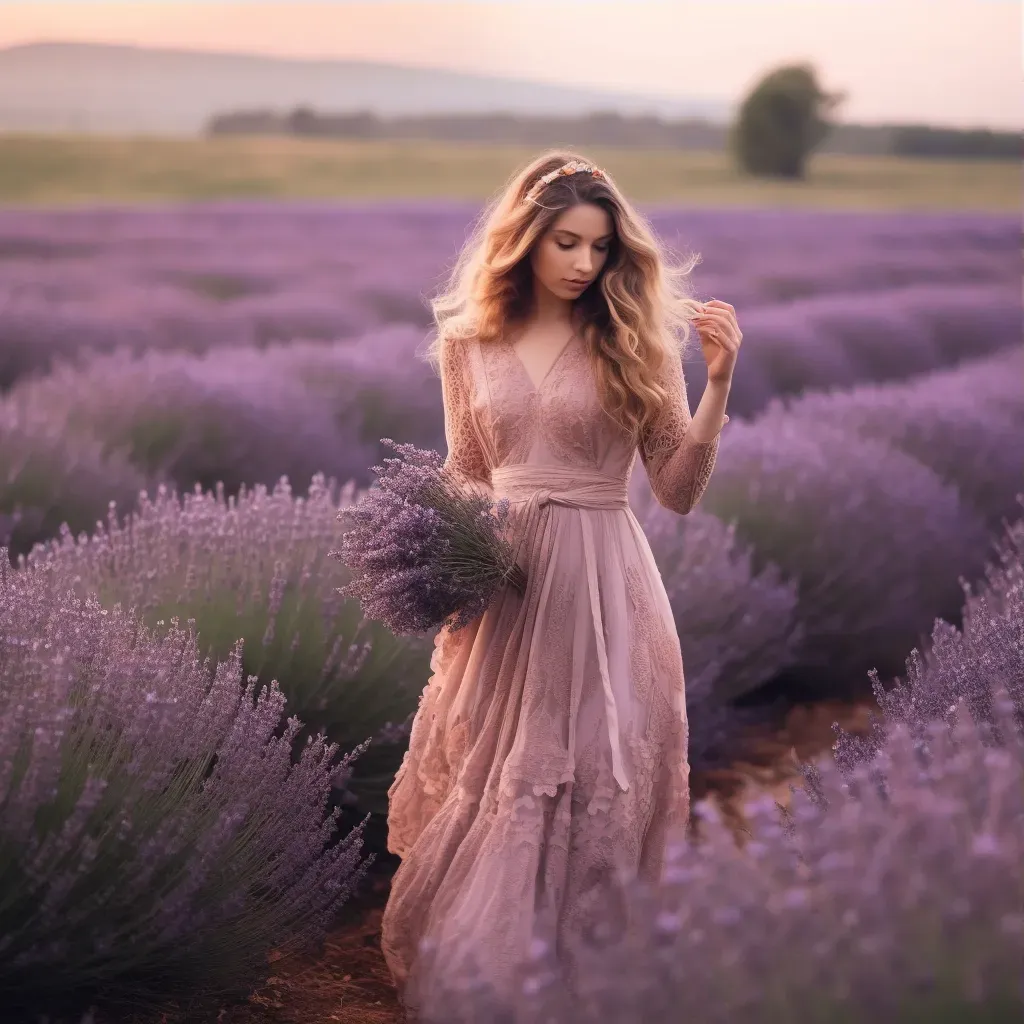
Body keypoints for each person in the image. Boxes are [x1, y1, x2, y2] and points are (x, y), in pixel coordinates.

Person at [379, 150, 742, 1018]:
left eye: (601, 248)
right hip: (502, 586)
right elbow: (465, 472)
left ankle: (575, 973)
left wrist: (718, 382)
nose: (585, 264)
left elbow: (678, 491)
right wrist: (444, 564)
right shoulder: (468, 342)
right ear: (525, 240)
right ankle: (484, 969)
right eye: (568, 243)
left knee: (584, 771)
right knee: (497, 764)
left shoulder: (635, 344)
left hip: (603, 584)